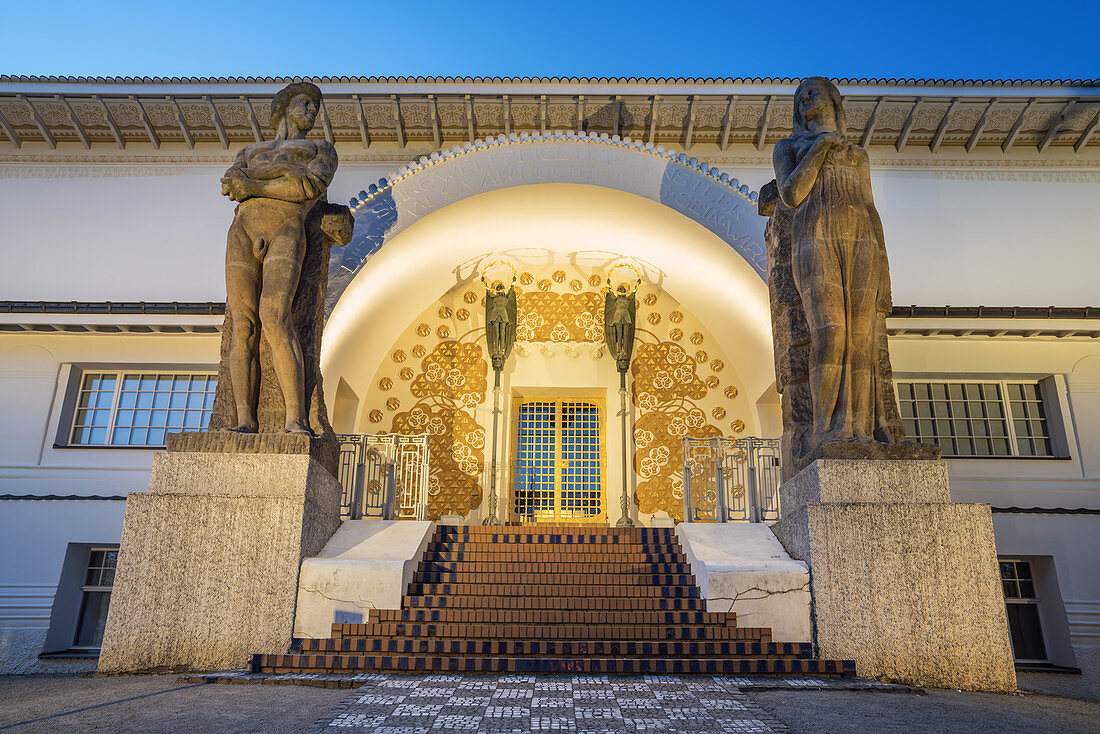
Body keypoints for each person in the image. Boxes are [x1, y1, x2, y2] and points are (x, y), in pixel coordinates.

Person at [772, 77, 898, 445]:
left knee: (862, 339)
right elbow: (792, 193)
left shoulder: (858, 155)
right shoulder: (789, 146)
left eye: (813, 92)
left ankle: (859, 427)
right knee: (830, 334)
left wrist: (885, 272)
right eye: (801, 96)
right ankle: (826, 430)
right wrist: (820, 148)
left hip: (861, 238)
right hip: (816, 234)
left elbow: (872, 209)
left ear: (833, 100)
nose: (806, 99)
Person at [219, 82, 338, 434]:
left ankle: (295, 419)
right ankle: (244, 420)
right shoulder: (250, 150)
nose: (312, 112)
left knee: (275, 316)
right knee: (243, 323)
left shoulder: (320, 148)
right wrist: (285, 172)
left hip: (287, 228)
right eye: (306, 103)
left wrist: (254, 184)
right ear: (285, 106)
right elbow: (229, 183)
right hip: (242, 232)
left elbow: (307, 187)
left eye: (315, 107)